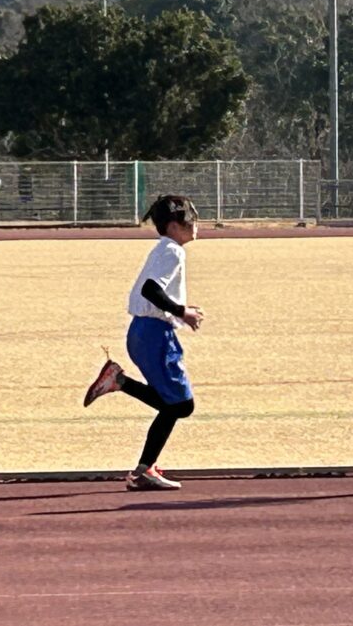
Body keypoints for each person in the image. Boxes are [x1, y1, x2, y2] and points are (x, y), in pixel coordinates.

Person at [83, 194, 205, 491]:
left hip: (143, 332)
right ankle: (142, 470)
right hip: (153, 334)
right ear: (175, 225)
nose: (196, 226)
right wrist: (182, 312)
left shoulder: (164, 248)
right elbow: (152, 289)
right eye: (191, 220)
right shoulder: (173, 251)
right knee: (181, 405)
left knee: (173, 404)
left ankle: (143, 468)